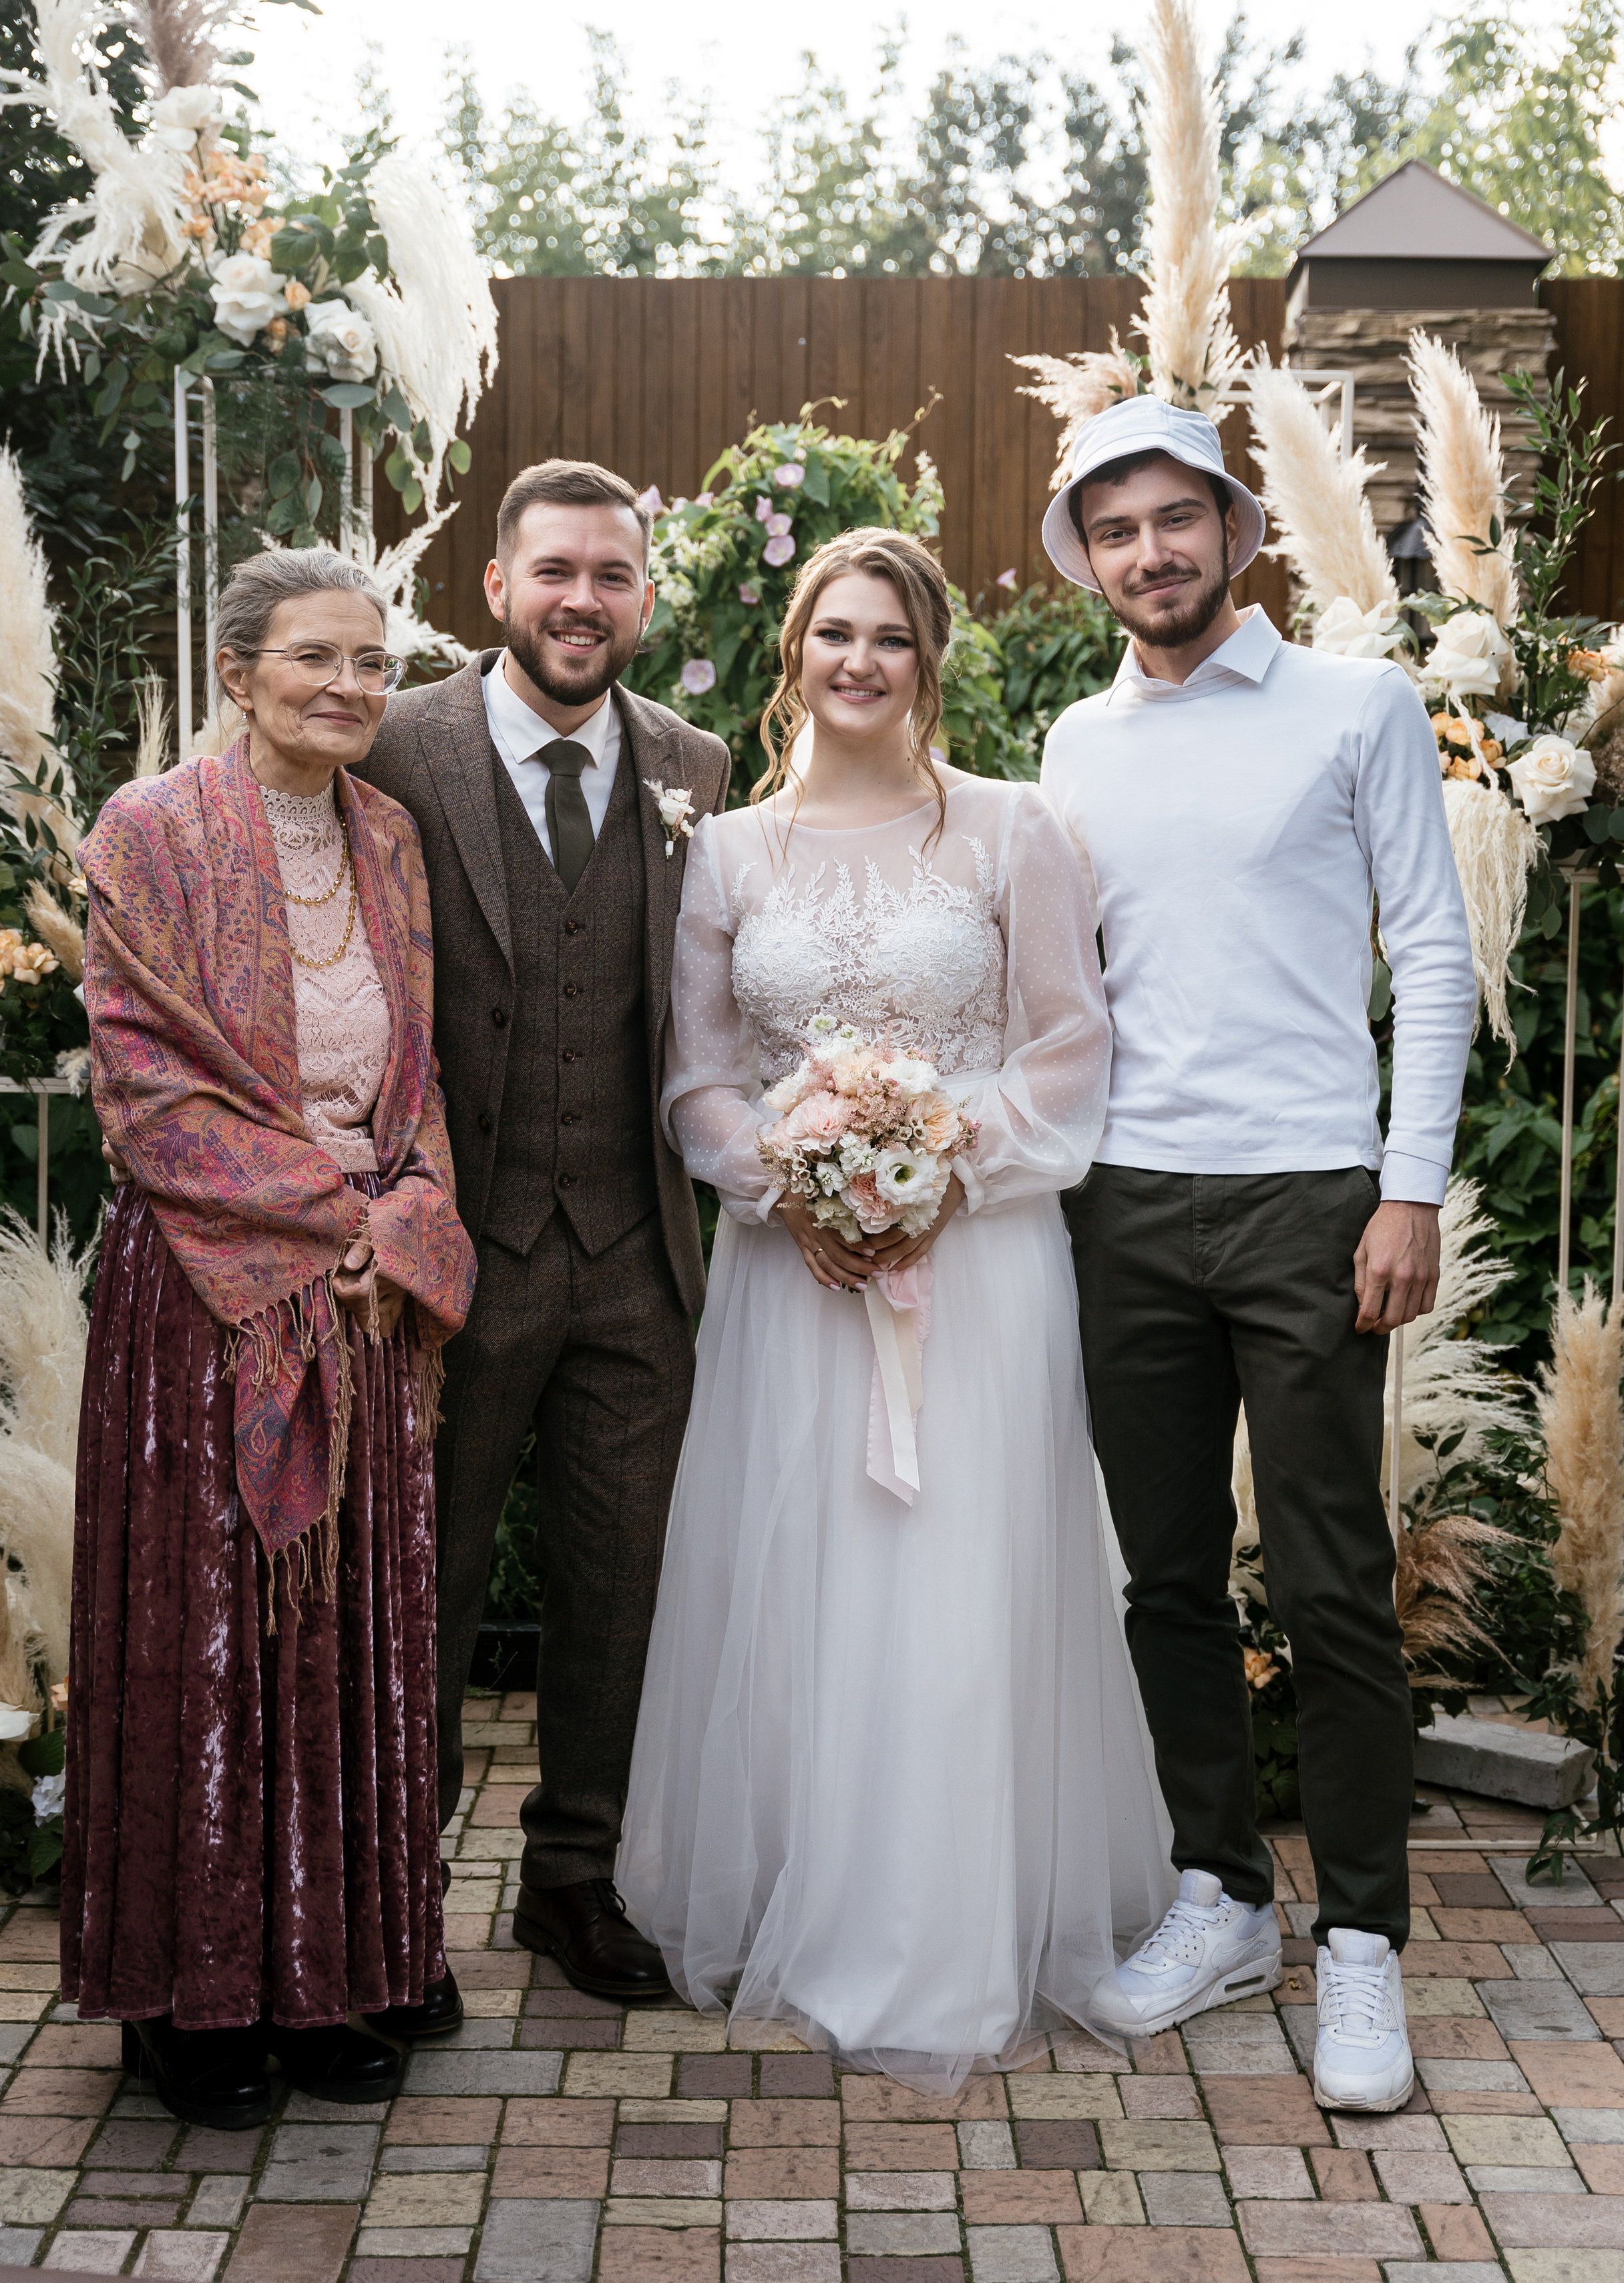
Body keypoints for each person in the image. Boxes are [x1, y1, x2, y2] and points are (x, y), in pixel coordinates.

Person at [616, 528, 1173, 2093]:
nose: (859, 662)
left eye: (892, 640)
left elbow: (1070, 1048)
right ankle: (813, 1891)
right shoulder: (725, 853)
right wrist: (789, 1184)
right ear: (793, 647)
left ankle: (951, 1924)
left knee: (957, 1580)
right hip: (791, 1280)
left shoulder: (1012, 833)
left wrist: (935, 1163)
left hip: (980, 1270)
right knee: (805, 1584)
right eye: (834, 634)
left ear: (931, 663)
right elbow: (697, 1079)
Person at [1038, 396, 1476, 2113]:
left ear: (1230, 524)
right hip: (1121, 1202)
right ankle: (1220, 1895)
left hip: (1309, 1196)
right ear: (1088, 556)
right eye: (1114, 530)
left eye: (1173, 520)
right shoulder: (1074, 741)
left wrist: (1408, 1186)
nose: (1148, 553)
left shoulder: (1353, 707)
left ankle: (1358, 1939)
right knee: (1157, 1576)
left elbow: (1432, 957)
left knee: (1323, 1578)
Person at [65, 549, 477, 2129]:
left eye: (373, 664)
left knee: (342, 1643)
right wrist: (342, 1225)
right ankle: (191, 2001)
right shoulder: (148, 831)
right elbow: (147, 1089)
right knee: (206, 1651)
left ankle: (331, 1980)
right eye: (316, 659)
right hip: (204, 1301)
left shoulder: (389, 839)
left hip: (363, 1306)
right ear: (236, 670)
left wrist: (410, 1228)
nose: (352, 689)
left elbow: (416, 1077)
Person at [359, 458, 730, 2001]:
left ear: (646, 597)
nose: (583, 600)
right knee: (419, 1586)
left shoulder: (697, 767)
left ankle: (574, 1879)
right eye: (554, 571)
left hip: (639, 1258)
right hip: (453, 1256)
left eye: (612, 575)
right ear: (497, 587)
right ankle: (394, 1901)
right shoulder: (390, 746)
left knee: (619, 1584)